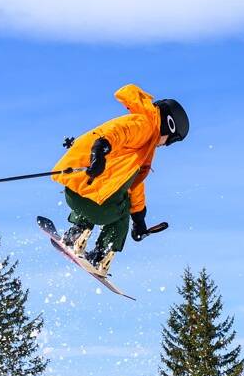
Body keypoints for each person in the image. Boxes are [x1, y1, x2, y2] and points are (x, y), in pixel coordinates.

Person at [52, 85, 188, 271]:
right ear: (169, 125)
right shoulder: (145, 126)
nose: (165, 145)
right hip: (95, 205)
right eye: (170, 140)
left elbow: (132, 184)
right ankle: (102, 254)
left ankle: (77, 232)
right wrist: (101, 148)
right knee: (122, 211)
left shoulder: (141, 146)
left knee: (109, 194)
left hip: (73, 193)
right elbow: (119, 132)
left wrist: (140, 220)